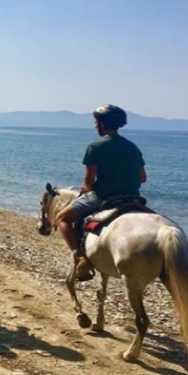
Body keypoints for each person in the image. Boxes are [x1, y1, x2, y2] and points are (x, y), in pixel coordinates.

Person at [52, 104, 147, 281]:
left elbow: (88, 182)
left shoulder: (95, 146)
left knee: (61, 218)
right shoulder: (132, 147)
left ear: (101, 124)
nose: (95, 125)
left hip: (104, 197)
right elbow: (143, 178)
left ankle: (80, 258)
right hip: (133, 198)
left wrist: (86, 190)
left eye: (96, 122)